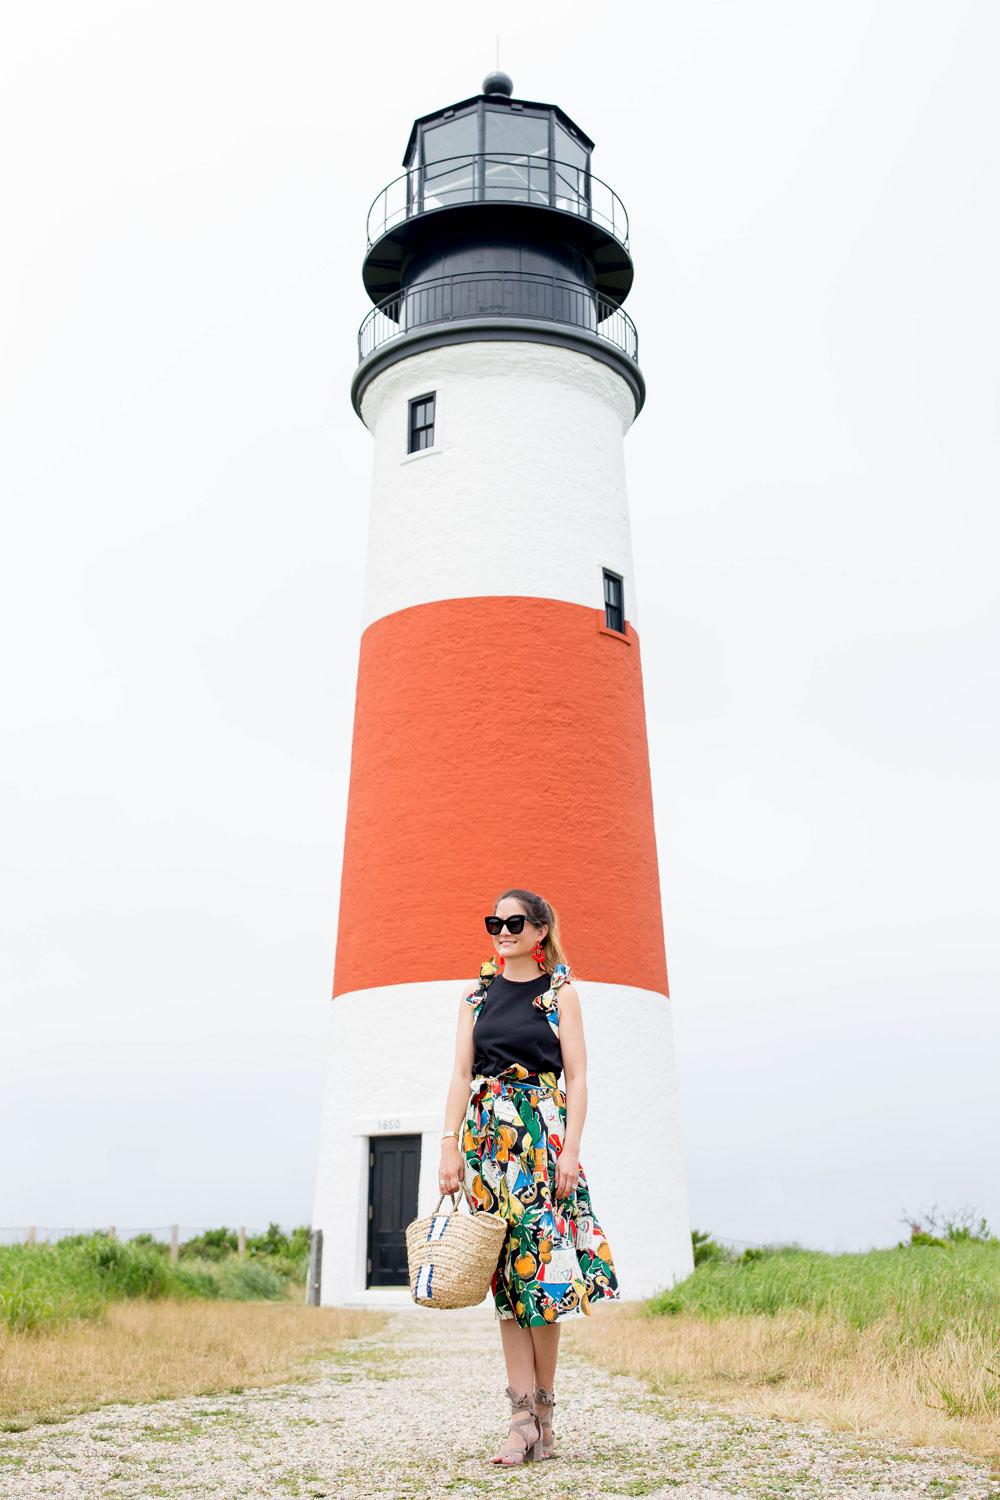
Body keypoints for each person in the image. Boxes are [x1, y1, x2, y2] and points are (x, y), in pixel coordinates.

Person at [438, 888, 619, 1465]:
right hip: (489, 1151)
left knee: (543, 1283)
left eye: (514, 922)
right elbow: (461, 1075)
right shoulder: (476, 997)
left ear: (540, 931)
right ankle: (520, 1420)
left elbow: (579, 1077)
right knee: (506, 1284)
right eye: (495, 921)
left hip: (543, 1148)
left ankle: (543, 1412)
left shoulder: (558, 995)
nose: (503, 930)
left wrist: (571, 1151)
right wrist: (449, 1148)